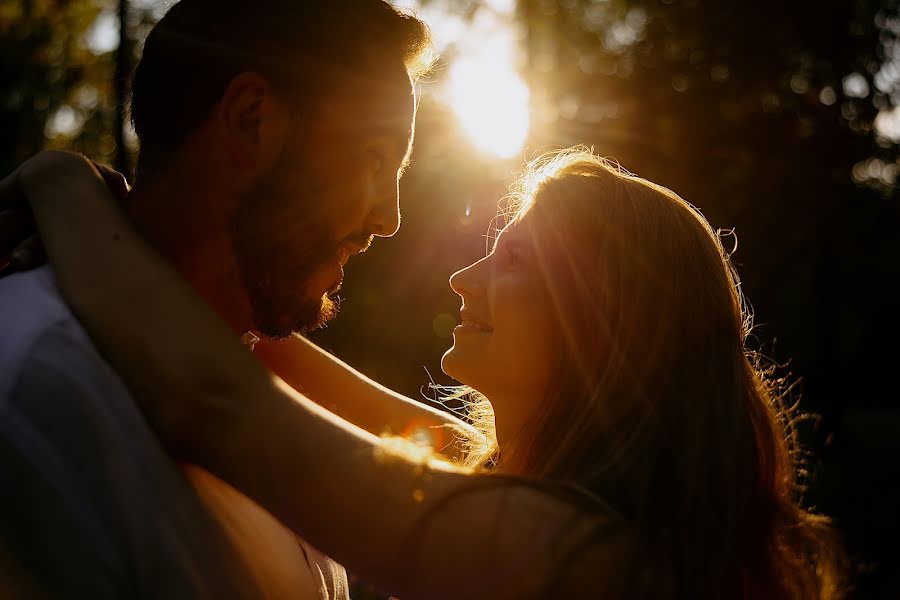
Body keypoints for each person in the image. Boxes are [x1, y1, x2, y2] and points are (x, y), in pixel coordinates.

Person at [1, 147, 846, 599]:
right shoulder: (516, 485)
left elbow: (216, 399)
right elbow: (251, 352)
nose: (460, 279)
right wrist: (161, 245)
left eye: (512, 257)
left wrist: (59, 180)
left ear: (604, 321)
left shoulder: (573, 556)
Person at [0, 1, 442, 597]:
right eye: (375, 157)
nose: (388, 219)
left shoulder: (272, 410)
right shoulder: (38, 387)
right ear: (252, 118)